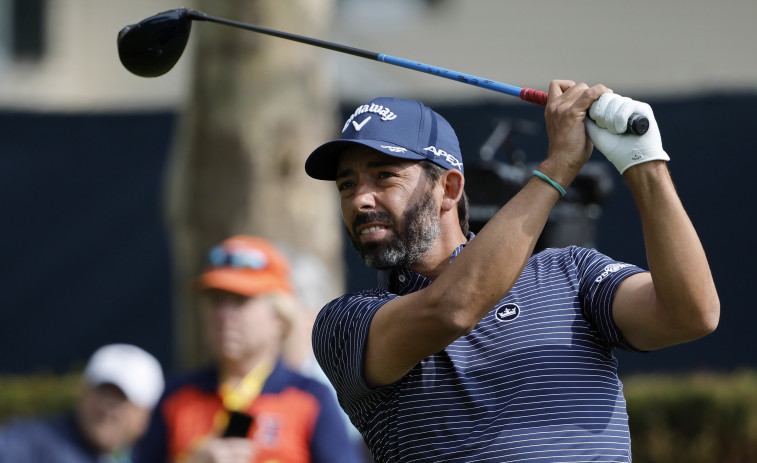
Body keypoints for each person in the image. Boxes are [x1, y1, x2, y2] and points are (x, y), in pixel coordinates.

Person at [304, 81, 720, 462]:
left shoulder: (571, 273)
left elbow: (690, 314)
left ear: (448, 188)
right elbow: (454, 308)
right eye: (346, 185)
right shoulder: (344, 323)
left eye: (384, 176)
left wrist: (644, 163)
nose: (360, 200)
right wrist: (557, 167)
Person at [133, 235, 363, 463]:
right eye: (215, 300)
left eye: (240, 300)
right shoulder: (176, 397)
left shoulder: (310, 398)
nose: (223, 315)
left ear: (279, 317)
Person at [0, 343, 165, 463]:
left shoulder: (147, 456)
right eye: (102, 391)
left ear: (145, 414)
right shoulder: (24, 445)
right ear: (83, 393)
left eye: (122, 399)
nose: (108, 407)